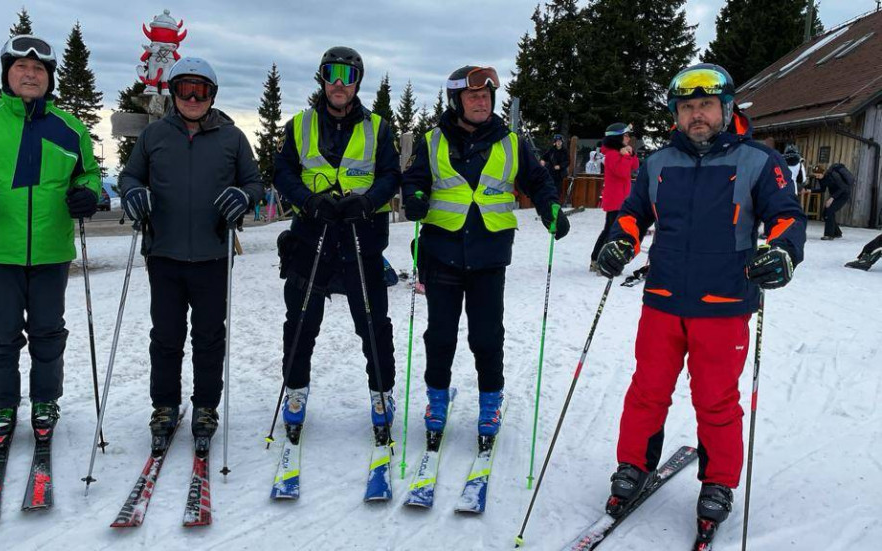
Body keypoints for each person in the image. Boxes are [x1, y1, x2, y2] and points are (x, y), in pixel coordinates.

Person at [594, 63, 806, 541]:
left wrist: (782, 252)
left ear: (726, 108)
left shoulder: (759, 162)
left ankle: (718, 483)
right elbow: (631, 213)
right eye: (687, 107)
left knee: (716, 401)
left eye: (705, 105)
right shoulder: (656, 162)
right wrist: (620, 242)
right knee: (647, 390)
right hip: (663, 299)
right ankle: (632, 465)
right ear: (677, 114)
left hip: (725, 303)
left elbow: (787, 218)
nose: (697, 115)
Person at [0, 35, 102, 444]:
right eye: (21, 67)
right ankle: (2, 405)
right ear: (6, 74)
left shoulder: (70, 127)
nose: (30, 75)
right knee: (2, 334)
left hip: (51, 249)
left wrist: (88, 193)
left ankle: (46, 400)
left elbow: (89, 174)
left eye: (39, 69)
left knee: (49, 332)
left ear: (49, 78)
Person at [402, 65, 569, 447]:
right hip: (441, 252)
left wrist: (550, 209)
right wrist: (413, 197)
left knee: (487, 336)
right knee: (439, 336)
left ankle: (490, 402)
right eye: (473, 96)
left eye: (487, 96)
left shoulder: (512, 142)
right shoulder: (433, 141)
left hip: (489, 256)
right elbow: (414, 179)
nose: (481, 101)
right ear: (456, 101)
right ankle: (436, 400)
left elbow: (539, 181)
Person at [119, 57, 264, 451]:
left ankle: (205, 406)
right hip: (163, 253)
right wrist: (132, 192)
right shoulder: (154, 137)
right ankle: (164, 406)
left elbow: (254, 182)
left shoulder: (232, 138)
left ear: (212, 95)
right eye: (185, 89)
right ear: (173, 93)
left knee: (209, 336)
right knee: (166, 336)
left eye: (201, 90)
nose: (194, 97)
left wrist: (245, 195)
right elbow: (130, 175)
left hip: (213, 254)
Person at [273, 46, 401, 441]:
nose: (339, 83)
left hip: (360, 238)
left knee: (373, 325)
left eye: (347, 75)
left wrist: (367, 201)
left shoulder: (378, 127)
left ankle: (382, 395)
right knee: (301, 323)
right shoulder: (300, 125)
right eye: (332, 74)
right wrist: (309, 201)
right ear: (322, 79)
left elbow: (390, 175)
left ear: (357, 81)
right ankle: (294, 394)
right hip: (312, 237)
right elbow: (283, 173)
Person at [590, 123, 639, 272]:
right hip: (615, 200)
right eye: (625, 135)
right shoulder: (611, 154)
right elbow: (622, 172)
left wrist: (632, 154)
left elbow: (635, 166)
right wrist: (624, 156)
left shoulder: (619, 153)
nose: (628, 138)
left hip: (623, 199)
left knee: (614, 231)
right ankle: (596, 259)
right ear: (617, 137)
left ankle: (603, 259)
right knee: (610, 231)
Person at [819, 162, 854, 240]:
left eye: (818, 175)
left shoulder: (833, 175)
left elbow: (842, 188)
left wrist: (831, 198)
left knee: (829, 211)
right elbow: (822, 189)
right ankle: (837, 233)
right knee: (825, 214)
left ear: (823, 173)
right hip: (835, 195)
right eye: (816, 175)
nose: (817, 177)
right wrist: (809, 190)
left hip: (843, 195)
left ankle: (829, 235)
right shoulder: (820, 178)